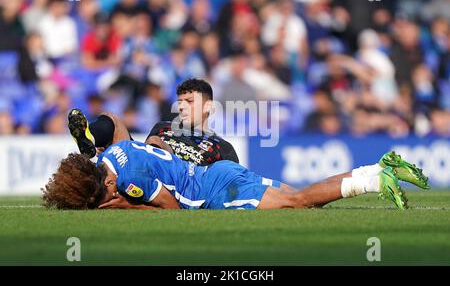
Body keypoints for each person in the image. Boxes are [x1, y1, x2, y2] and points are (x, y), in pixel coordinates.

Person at [42, 139, 430, 211]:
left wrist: (121, 207)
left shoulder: (129, 183)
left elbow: (172, 209)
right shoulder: (114, 152)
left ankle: (375, 181)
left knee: (299, 201)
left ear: (105, 182)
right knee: (307, 199)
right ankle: (381, 167)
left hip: (215, 193)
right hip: (218, 172)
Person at [68, 78, 239, 165]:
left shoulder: (222, 148)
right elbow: (142, 152)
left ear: (208, 107)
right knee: (111, 118)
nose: (181, 107)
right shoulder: (162, 127)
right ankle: (90, 141)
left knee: (154, 141)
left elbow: (228, 183)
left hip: (182, 184)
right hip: (144, 170)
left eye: (189, 102)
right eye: (179, 102)